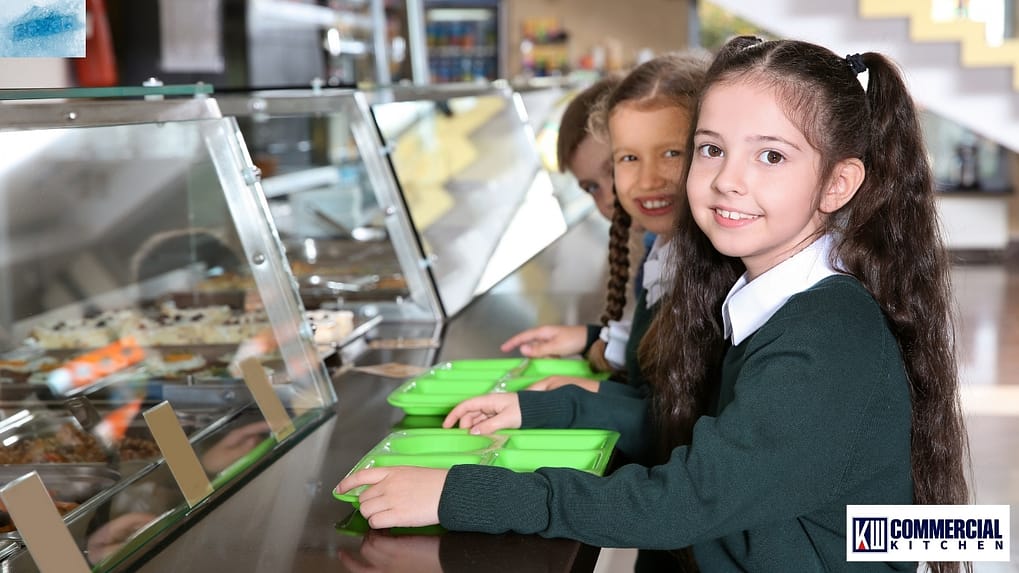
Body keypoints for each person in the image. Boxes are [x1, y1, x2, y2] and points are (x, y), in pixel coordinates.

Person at [337, 36, 971, 572]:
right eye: (711, 148)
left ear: (839, 183)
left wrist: (462, 494)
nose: (729, 178)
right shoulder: (778, 300)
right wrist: (544, 408)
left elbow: (683, 502)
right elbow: (691, 427)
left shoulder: (822, 339)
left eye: (771, 155)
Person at [502, 53, 708, 394]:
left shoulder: (702, 260)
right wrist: (591, 338)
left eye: (670, 153)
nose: (613, 195)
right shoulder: (659, 246)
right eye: (628, 161)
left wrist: (584, 392)